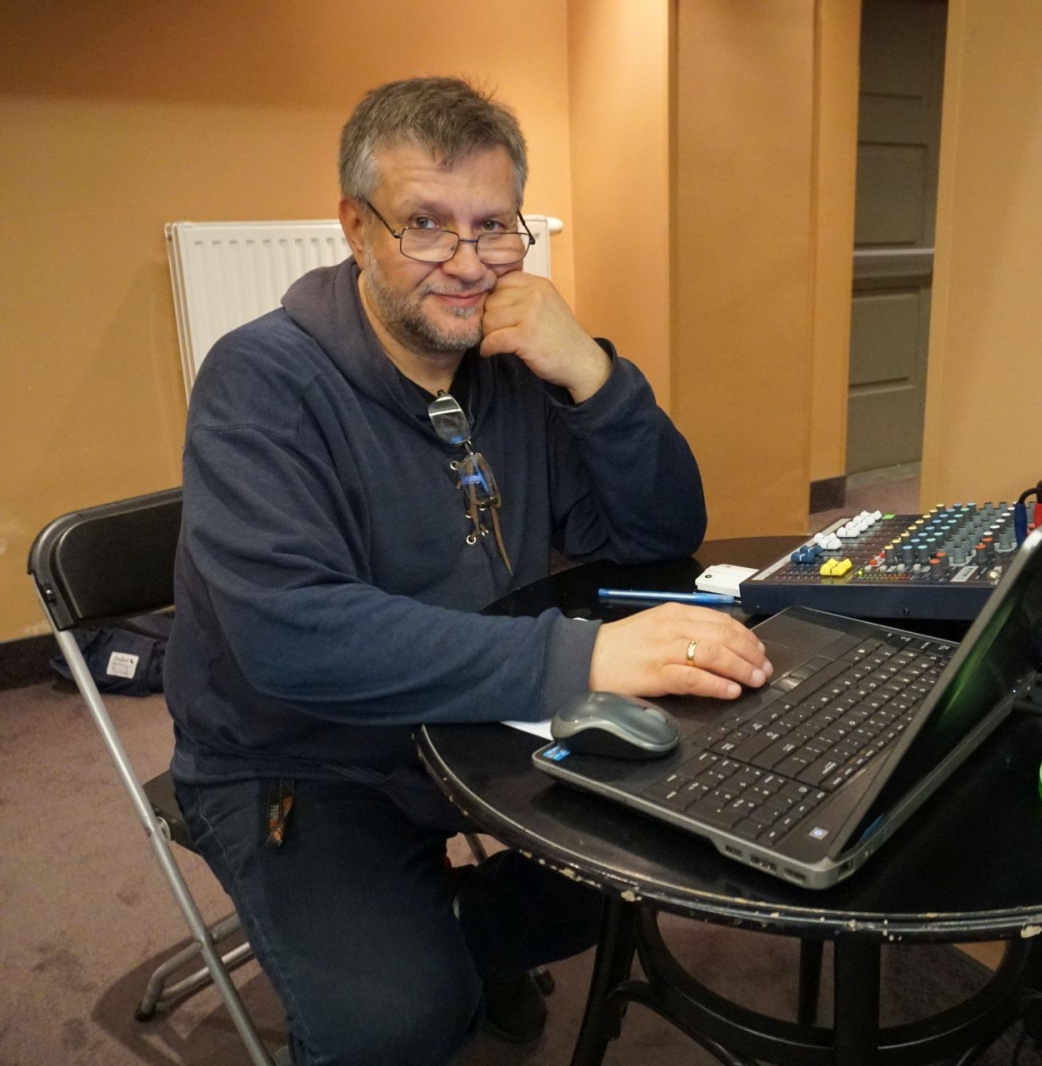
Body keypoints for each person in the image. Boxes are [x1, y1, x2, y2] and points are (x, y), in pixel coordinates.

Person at [163, 76, 773, 1066]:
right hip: (304, 757)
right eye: (425, 225)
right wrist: (579, 660)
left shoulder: (514, 368)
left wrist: (595, 375)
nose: (466, 261)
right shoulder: (260, 380)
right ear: (355, 227)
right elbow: (289, 636)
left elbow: (661, 533)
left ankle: (456, 934)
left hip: (478, 718)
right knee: (399, 1025)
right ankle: (436, 960)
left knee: (656, 854)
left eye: (492, 226)